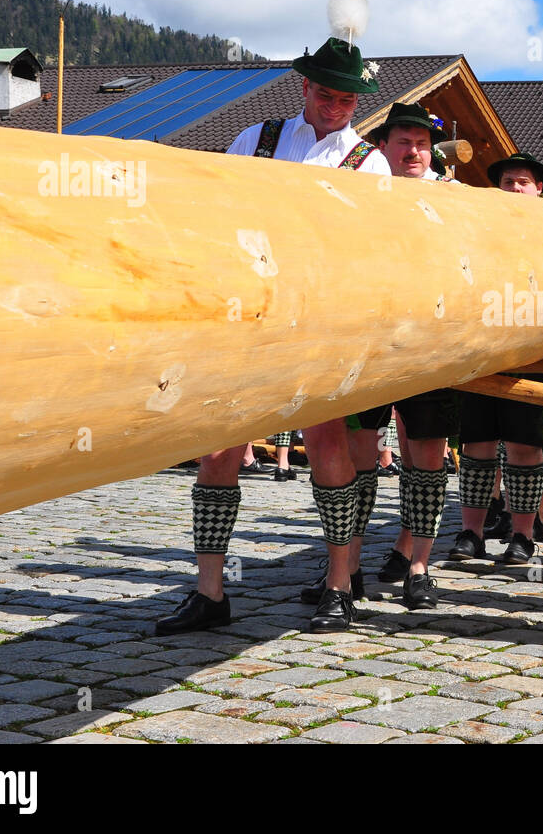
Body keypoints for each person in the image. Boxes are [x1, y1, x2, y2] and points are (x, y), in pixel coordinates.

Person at [155, 36, 391, 636]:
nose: (338, 105)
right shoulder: (253, 141)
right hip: (249, 318)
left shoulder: (371, 162)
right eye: (328, 93)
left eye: (348, 97)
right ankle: (210, 591)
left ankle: (340, 587)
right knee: (218, 450)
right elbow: (215, 216)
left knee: (328, 446)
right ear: (304, 87)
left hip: (322, 319)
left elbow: (376, 249)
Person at [305, 102, 461, 611]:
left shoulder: (452, 197)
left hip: (430, 343)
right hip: (366, 342)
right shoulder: (361, 189)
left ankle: (418, 566)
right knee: (358, 451)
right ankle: (346, 568)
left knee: (426, 455)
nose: (413, 151)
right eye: (403, 142)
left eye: (421, 143)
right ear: (385, 146)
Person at [448, 153, 543, 566]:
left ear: (538, 190)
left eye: (522, 182)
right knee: (476, 443)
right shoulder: (481, 228)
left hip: (532, 353)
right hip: (483, 349)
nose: (514, 188)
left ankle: (523, 534)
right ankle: (471, 531)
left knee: (525, 446)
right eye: (508, 181)